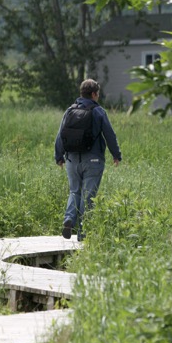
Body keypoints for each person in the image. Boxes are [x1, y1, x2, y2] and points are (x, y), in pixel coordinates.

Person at [55, 78, 122, 240]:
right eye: (97, 94)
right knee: (89, 195)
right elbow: (109, 135)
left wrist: (59, 156)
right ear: (93, 94)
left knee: (74, 191)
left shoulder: (69, 111)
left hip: (71, 159)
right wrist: (116, 154)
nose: (98, 97)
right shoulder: (98, 111)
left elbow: (60, 135)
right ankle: (83, 232)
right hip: (93, 160)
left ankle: (69, 219)